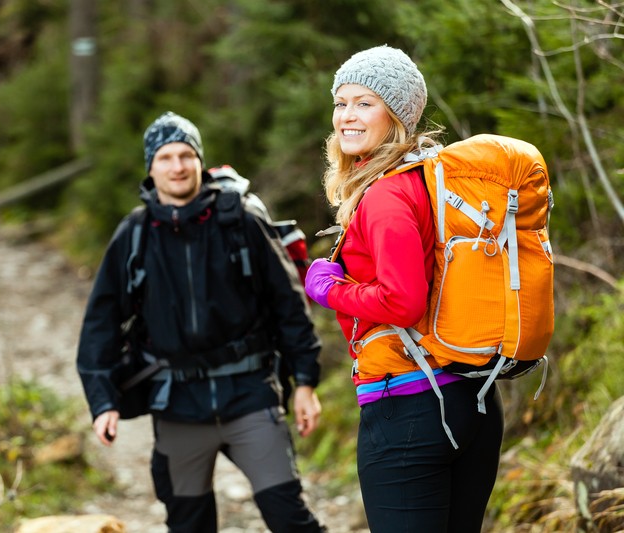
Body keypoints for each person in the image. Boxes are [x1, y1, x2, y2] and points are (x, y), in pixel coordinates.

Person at [77, 111, 326, 532]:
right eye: (166, 157)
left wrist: (304, 382)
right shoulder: (135, 234)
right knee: (188, 526)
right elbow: (100, 321)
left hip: (250, 395)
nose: (177, 166)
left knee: (290, 519)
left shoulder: (240, 220)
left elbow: (288, 303)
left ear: (199, 160)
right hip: (176, 405)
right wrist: (102, 401)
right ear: (151, 167)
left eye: (186, 155)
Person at [304, 45, 504, 532]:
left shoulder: (388, 195)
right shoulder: (431, 179)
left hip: (411, 407)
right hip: (472, 400)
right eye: (340, 102)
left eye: (364, 103)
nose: (346, 116)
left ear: (397, 115)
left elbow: (403, 300)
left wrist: (331, 290)